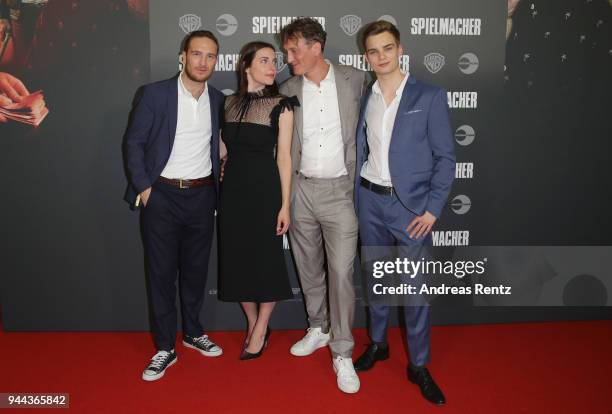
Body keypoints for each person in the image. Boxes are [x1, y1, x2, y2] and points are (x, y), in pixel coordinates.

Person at [352, 21, 455, 405]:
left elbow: (446, 158)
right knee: (376, 280)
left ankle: (420, 365)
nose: (381, 56)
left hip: (410, 207)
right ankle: (378, 344)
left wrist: (432, 209)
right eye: (373, 51)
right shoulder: (367, 96)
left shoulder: (428, 95)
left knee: (414, 292)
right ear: (366, 56)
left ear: (400, 49)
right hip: (370, 201)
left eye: (387, 48)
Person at [123, 30, 224, 381]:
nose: (203, 62)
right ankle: (165, 346)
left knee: (196, 272)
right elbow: (134, 143)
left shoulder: (218, 100)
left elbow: (217, 146)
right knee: (161, 274)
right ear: (183, 56)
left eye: (210, 56)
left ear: (216, 60)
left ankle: (194, 333)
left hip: (202, 196)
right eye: (196, 54)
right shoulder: (155, 94)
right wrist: (145, 188)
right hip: (162, 196)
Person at [278, 17, 367, 394]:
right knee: (307, 266)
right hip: (301, 190)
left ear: (316, 47)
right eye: (285, 50)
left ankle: (342, 351)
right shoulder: (287, 88)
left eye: (294, 49)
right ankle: (318, 326)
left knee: (341, 272)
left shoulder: (355, 80)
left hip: (340, 193)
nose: (288, 57)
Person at [217, 41, 296, 360]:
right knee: (237, 261)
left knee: (266, 261)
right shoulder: (228, 103)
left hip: (266, 192)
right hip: (233, 192)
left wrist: (285, 204)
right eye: (263, 60)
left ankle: (262, 327)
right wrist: (220, 164)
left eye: (274, 61)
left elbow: (285, 158)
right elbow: (223, 148)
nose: (271, 66)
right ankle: (252, 321)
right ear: (246, 66)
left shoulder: (283, 104)